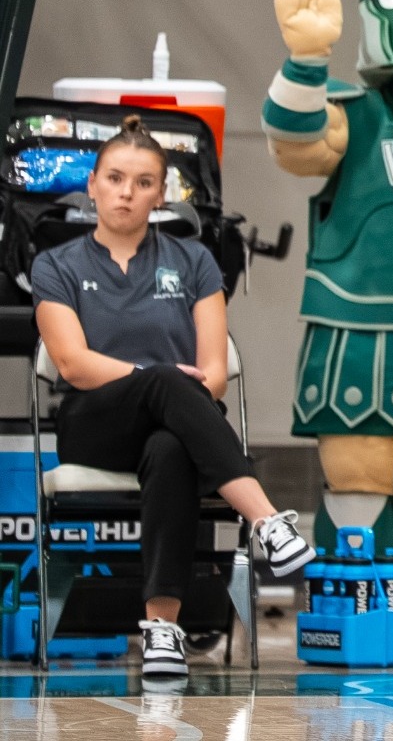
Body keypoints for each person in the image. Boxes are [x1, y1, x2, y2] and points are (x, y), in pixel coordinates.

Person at [33, 117, 315, 677]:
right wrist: (152, 374)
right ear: (92, 185)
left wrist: (171, 383)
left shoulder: (194, 262)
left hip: (175, 425)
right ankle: (266, 522)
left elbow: (212, 374)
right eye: (114, 178)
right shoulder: (55, 265)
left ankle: (163, 631)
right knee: (165, 380)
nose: (126, 192)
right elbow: (72, 364)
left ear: (161, 194)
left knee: (170, 448)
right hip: (94, 424)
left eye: (142, 182)